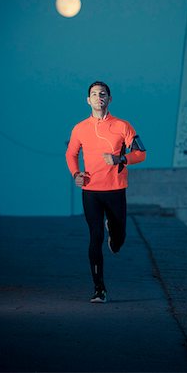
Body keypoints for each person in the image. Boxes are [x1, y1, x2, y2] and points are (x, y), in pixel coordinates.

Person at [66, 81, 146, 303]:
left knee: (118, 240)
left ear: (109, 99)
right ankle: (99, 289)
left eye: (102, 94)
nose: (98, 97)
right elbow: (71, 154)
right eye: (93, 94)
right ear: (88, 100)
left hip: (116, 189)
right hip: (91, 190)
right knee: (95, 237)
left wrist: (120, 158)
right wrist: (76, 174)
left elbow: (141, 153)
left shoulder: (122, 125)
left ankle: (115, 230)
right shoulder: (79, 128)